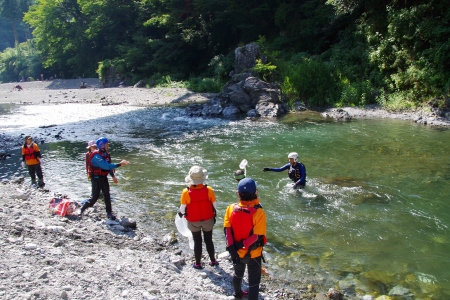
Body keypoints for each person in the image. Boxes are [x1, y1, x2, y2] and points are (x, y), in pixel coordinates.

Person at [224, 178, 267, 300]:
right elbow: (257, 236)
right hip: (253, 254)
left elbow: (227, 230)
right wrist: (241, 245)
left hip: (236, 252)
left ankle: (237, 294)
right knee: (254, 282)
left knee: (238, 275)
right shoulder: (259, 212)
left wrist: (233, 248)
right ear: (256, 193)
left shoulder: (230, 208)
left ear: (238, 194)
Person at [79, 137, 130, 220]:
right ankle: (82, 209)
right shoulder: (96, 156)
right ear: (102, 145)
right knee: (94, 198)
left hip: (103, 178)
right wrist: (119, 164)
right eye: (106, 144)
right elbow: (105, 166)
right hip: (95, 179)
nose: (108, 145)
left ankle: (109, 213)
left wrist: (113, 176)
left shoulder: (105, 154)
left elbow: (108, 166)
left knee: (107, 195)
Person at [178, 166, 218, 269]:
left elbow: (182, 209)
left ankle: (198, 263)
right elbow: (215, 206)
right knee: (209, 240)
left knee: (197, 240)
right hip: (208, 219)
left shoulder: (186, 192)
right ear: (203, 178)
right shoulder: (209, 190)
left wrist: (180, 214)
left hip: (193, 221)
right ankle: (213, 260)